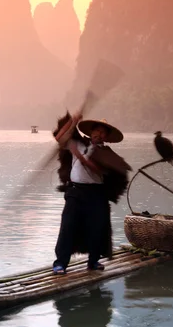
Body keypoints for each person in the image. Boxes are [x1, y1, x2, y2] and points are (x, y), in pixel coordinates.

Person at [51, 113, 130, 274]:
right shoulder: (78, 143)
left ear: (106, 137)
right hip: (76, 192)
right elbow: (60, 137)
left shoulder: (108, 154)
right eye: (97, 131)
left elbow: (97, 169)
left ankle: (93, 262)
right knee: (68, 226)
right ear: (90, 132)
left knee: (97, 228)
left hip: (97, 194)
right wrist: (73, 121)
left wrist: (81, 156)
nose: (99, 134)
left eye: (103, 133)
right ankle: (60, 263)